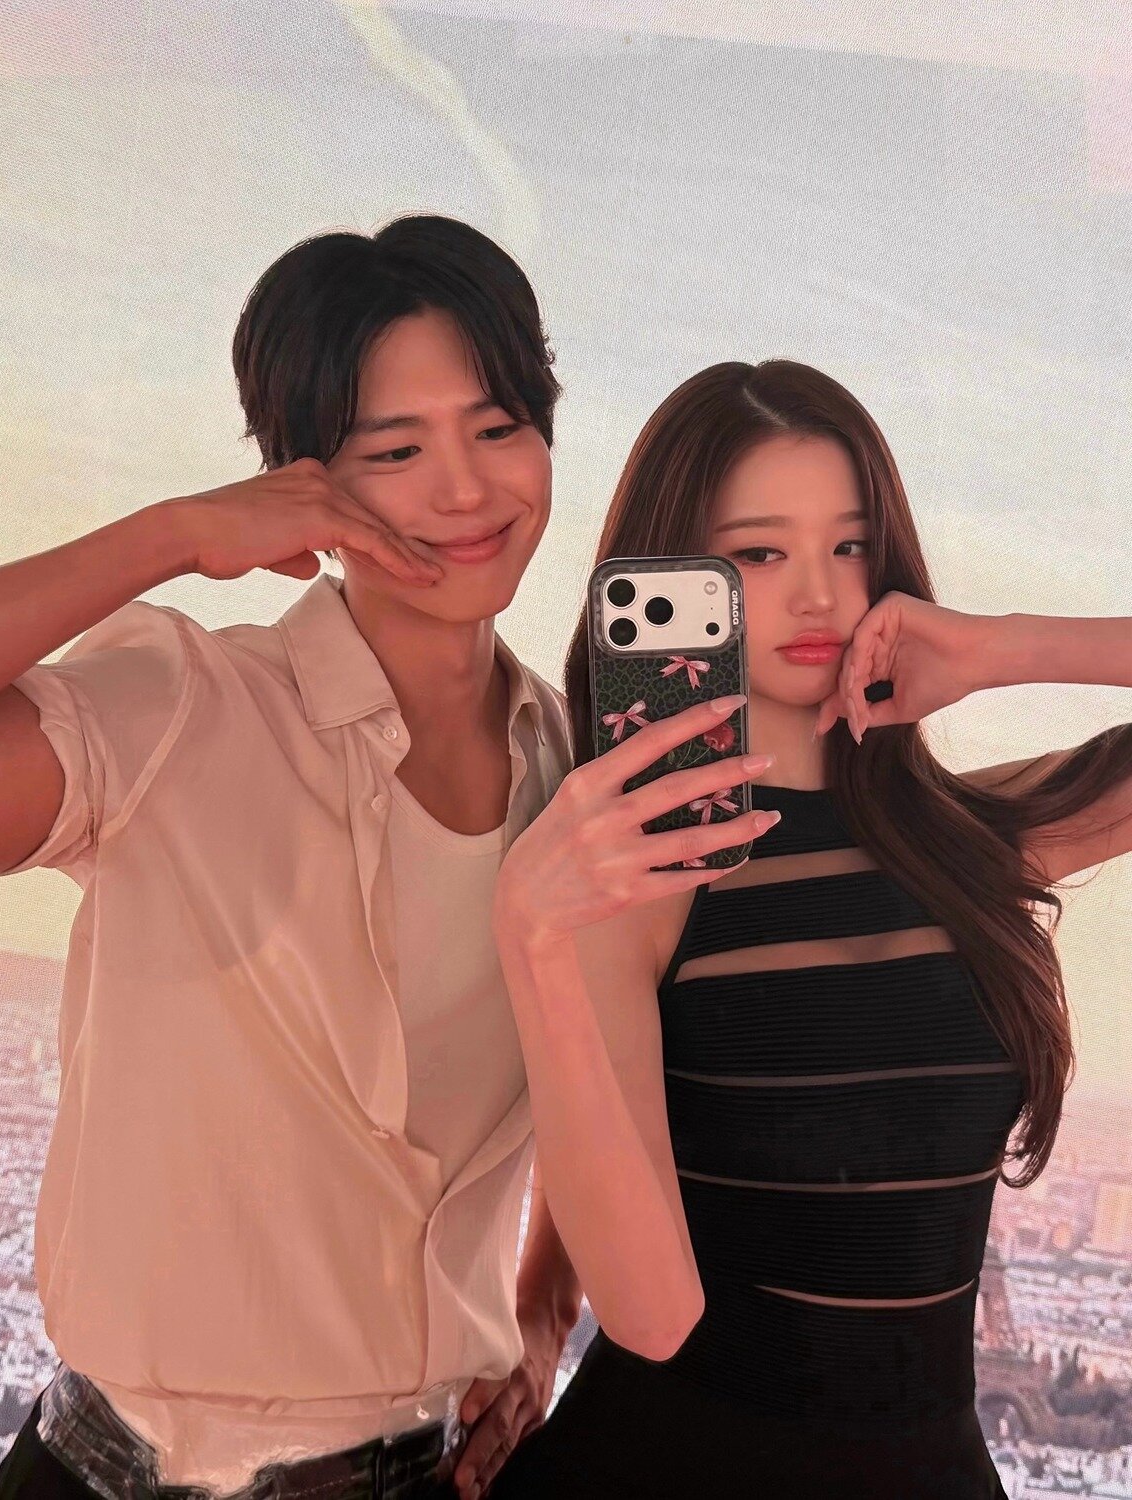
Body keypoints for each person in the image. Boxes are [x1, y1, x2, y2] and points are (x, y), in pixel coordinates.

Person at [0, 217, 775, 1500]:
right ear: (302, 483)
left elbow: (600, 1081)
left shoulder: (580, 783)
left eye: (498, 427)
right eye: (395, 450)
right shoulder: (180, 708)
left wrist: (540, 1308)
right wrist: (171, 534)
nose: (466, 489)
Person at [482, 360, 1132, 1499]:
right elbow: (652, 1315)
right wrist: (533, 939)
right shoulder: (627, 889)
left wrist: (1002, 649)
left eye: (850, 545)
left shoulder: (977, 843)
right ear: (669, 573)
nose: (821, 596)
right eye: (759, 555)